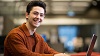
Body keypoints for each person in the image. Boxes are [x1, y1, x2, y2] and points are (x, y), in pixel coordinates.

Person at [4, 0, 70, 56]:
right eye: (35, 13)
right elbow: (26, 54)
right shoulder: (15, 35)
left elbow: (50, 51)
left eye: (41, 15)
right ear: (27, 15)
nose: (38, 17)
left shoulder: (39, 38)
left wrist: (61, 54)